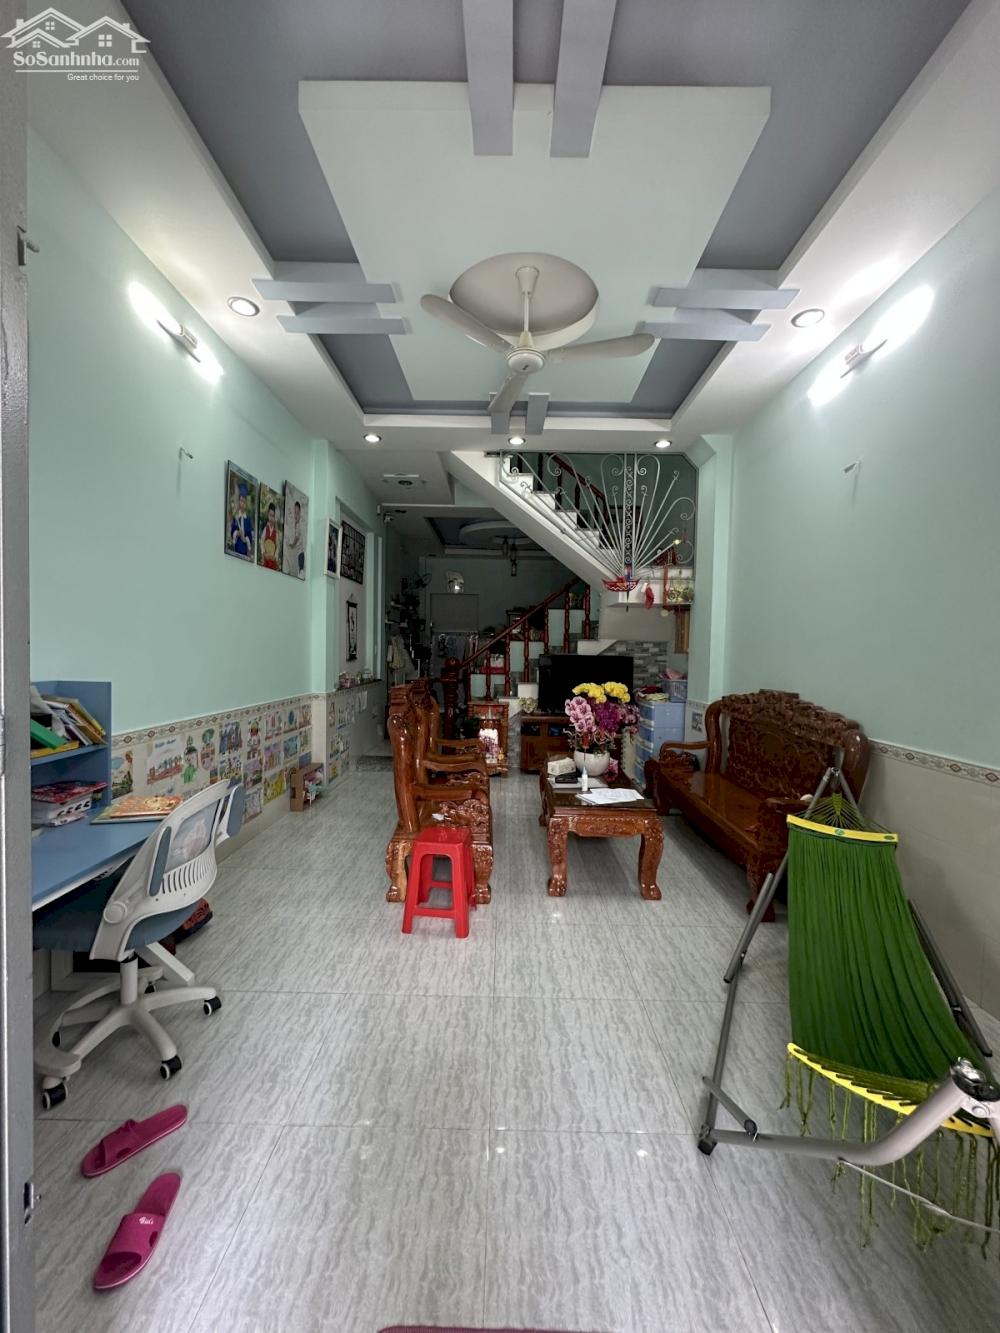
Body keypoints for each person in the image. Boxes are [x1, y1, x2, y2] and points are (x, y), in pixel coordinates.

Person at [229, 486, 254, 559]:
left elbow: (250, 535)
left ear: (246, 503)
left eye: (244, 502)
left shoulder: (248, 520)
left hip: (244, 548)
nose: (242, 504)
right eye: (241, 501)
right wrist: (237, 533)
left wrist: (246, 538)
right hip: (237, 546)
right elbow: (232, 531)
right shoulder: (236, 517)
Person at [284, 499, 304, 577]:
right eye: (295, 513)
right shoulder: (293, 523)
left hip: (299, 550)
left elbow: (297, 537)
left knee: (298, 566)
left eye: (297, 513)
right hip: (295, 550)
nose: (296, 516)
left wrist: (292, 545)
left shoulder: (299, 524)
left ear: (300, 513)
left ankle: (301, 570)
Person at [259, 502, 280, 570]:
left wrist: (275, 556)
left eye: (273, 516)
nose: (271, 518)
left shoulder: (276, 532)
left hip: (273, 560)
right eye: (270, 515)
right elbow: (262, 541)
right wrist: (263, 553)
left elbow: (278, 545)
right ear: (268, 515)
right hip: (266, 558)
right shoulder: (265, 528)